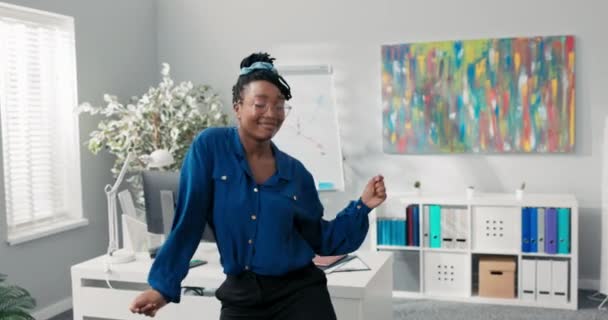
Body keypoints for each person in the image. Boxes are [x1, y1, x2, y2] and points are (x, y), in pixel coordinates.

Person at [129, 52, 387, 319]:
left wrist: (363, 206)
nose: (271, 114)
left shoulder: (296, 173)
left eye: (279, 106)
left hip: (300, 293)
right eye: (260, 104)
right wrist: (162, 288)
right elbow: (188, 220)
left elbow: (321, 239)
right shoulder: (210, 147)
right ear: (238, 107)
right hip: (242, 295)